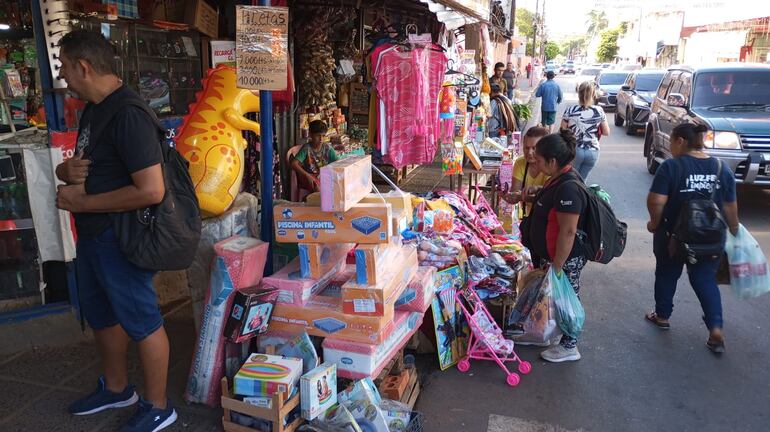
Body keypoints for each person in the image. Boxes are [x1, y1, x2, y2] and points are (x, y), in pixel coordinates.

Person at [54, 30, 177, 431]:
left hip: (120, 237)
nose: (63, 75)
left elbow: (151, 190)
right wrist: (63, 171)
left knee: (143, 321)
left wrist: (82, 202)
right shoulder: (94, 108)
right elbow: (88, 166)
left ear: (83, 66)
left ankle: (159, 406)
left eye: (65, 67)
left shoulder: (128, 114)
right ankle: (118, 388)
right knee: (103, 315)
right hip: (93, 235)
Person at [645, 123, 739, 354]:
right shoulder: (721, 168)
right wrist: (734, 229)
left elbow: (657, 201)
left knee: (667, 273)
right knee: (705, 279)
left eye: (672, 140)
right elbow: (730, 205)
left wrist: (654, 223)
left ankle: (663, 316)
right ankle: (715, 328)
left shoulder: (671, 167)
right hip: (710, 238)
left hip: (672, 236)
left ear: (679, 141)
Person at [525, 130, 589, 362]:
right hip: (552, 255)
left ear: (552, 161)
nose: (536, 163)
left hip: (565, 258)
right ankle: (549, 334)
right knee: (552, 297)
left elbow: (568, 230)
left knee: (565, 298)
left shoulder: (568, 187)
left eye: (540, 160)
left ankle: (570, 345)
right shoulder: (558, 178)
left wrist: (559, 265)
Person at [560, 81, 609, 180]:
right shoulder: (599, 111)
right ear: (593, 94)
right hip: (593, 151)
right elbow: (606, 132)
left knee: (571, 180)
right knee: (582, 181)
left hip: (575, 150)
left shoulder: (570, 110)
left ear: (578, 94)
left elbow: (562, 131)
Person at [502, 126, 550, 217]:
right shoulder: (520, 163)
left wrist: (522, 197)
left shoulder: (551, 166)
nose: (530, 152)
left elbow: (548, 197)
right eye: (526, 148)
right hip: (529, 216)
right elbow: (516, 193)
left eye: (534, 148)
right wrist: (507, 196)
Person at [291, 120, 339, 194]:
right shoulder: (306, 148)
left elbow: (338, 163)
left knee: (338, 185)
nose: (321, 139)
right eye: (317, 136)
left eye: (323, 136)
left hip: (324, 176)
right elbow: (294, 164)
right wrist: (306, 175)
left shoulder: (327, 148)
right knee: (319, 191)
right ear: (310, 135)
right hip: (310, 178)